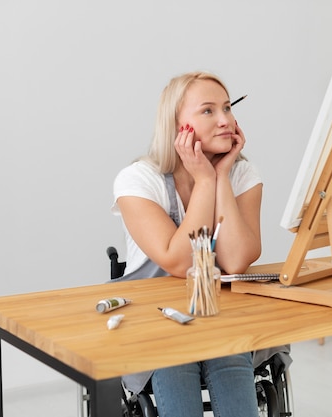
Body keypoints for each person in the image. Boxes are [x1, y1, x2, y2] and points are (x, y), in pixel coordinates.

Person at [111, 71, 262, 417]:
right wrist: (204, 180)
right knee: (174, 364)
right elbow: (179, 263)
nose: (225, 120)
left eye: (227, 107)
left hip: (219, 316)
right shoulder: (137, 180)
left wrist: (221, 176)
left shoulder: (242, 175)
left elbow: (237, 260)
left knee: (231, 356)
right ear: (177, 126)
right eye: (208, 111)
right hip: (157, 323)